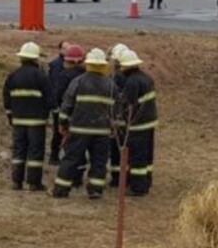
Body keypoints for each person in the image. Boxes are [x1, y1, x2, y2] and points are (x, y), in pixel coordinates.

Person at [52, 48, 117, 200]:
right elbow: (116, 109)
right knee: (99, 161)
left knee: (71, 158)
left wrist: (62, 123)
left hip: (79, 129)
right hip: (101, 130)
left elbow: (67, 104)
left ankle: (61, 189)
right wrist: (115, 127)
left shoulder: (78, 81)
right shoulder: (110, 84)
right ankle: (95, 190)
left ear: (88, 64)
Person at [2, 42, 52, 191]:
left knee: (19, 150)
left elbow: (7, 99)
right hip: (37, 122)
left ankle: (16, 181)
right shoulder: (41, 76)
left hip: (18, 121)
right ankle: (34, 183)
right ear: (36, 58)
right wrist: (47, 114)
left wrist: (10, 116)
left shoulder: (13, 76)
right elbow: (49, 99)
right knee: (35, 152)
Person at [115, 50, 159, 196]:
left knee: (137, 157)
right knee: (147, 155)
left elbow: (128, 105)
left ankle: (137, 187)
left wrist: (122, 123)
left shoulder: (132, 82)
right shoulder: (147, 78)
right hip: (150, 122)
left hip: (138, 125)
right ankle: (146, 181)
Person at [55, 44, 86, 185]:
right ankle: (79, 176)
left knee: (71, 150)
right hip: (85, 118)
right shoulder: (86, 76)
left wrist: (62, 120)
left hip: (70, 118)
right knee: (83, 150)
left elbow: (60, 97)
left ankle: (71, 179)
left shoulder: (64, 76)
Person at [107, 43, 130, 187]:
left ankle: (117, 178)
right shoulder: (129, 76)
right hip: (126, 119)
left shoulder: (116, 77)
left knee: (116, 149)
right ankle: (123, 177)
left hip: (118, 119)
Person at [47, 41, 71, 165]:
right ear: (60, 50)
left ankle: (64, 155)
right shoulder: (57, 65)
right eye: (65, 48)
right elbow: (56, 86)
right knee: (58, 132)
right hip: (59, 104)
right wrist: (56, 105)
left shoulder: (66, 64)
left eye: (69, 48)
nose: (67, 50)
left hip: (66, 103)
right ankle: (54, 156)